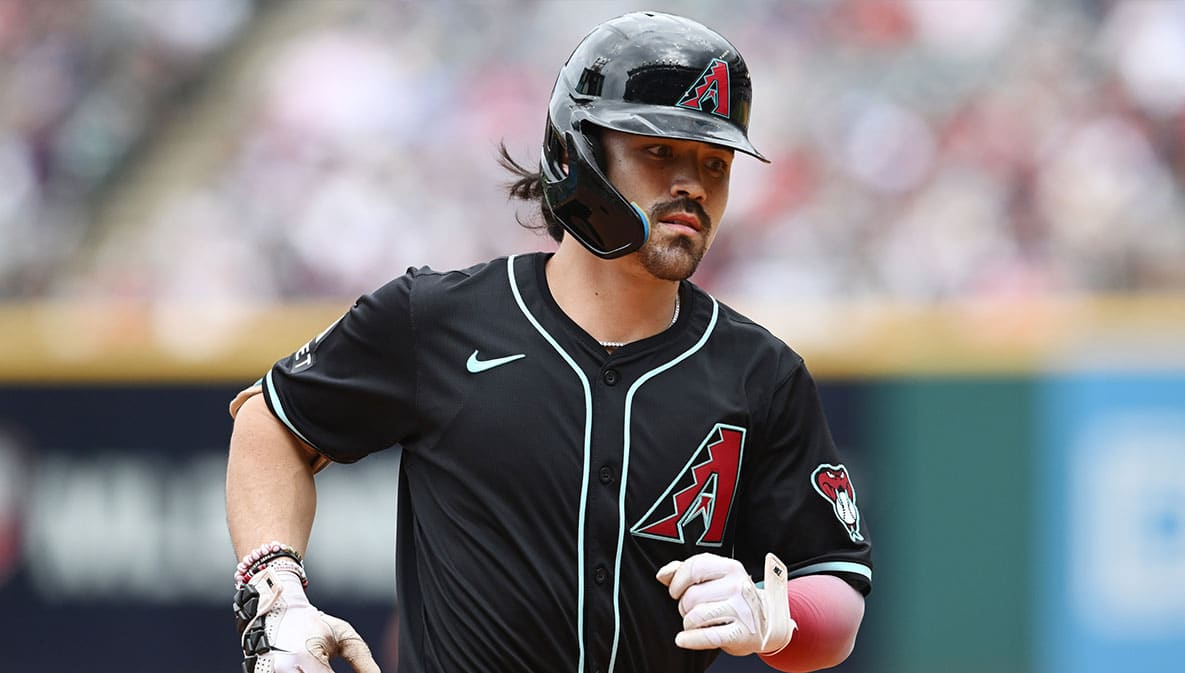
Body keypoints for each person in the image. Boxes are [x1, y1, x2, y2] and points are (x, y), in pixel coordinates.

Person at [225, 10, 872, 673]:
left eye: (715, 161)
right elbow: (272, 424)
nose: (692, 183)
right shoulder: (439, 319)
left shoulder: (760, 372)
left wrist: (774, 613)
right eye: (658, 150)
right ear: (574, 153)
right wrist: (275, 591)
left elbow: (836, 589)